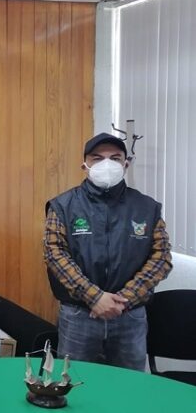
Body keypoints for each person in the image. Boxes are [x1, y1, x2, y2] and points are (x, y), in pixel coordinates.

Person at [44, 132, 172, 371]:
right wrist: (94, 297)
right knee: (74, 382)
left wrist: (124, 299)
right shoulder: (63, 206)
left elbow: (161, 257)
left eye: (115, 158)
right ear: (85, 165)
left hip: (130, 316)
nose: (107, 164)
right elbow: (55, 253)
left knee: (129, 386)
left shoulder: (147, 207)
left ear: (125, 164)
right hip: (79, 316)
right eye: (97, 158)